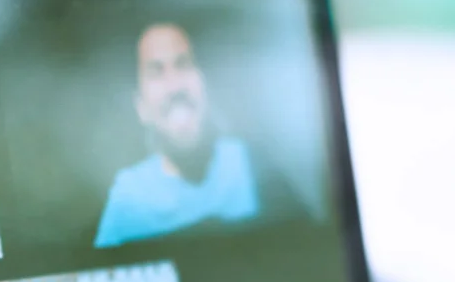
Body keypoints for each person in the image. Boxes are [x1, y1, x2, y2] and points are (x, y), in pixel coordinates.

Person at [93, 23, 304, 249]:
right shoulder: (129, 198)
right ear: (141, 107)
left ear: (204, 84)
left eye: (182, 65)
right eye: (156, 73)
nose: (174, 86)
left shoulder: (254, 165)